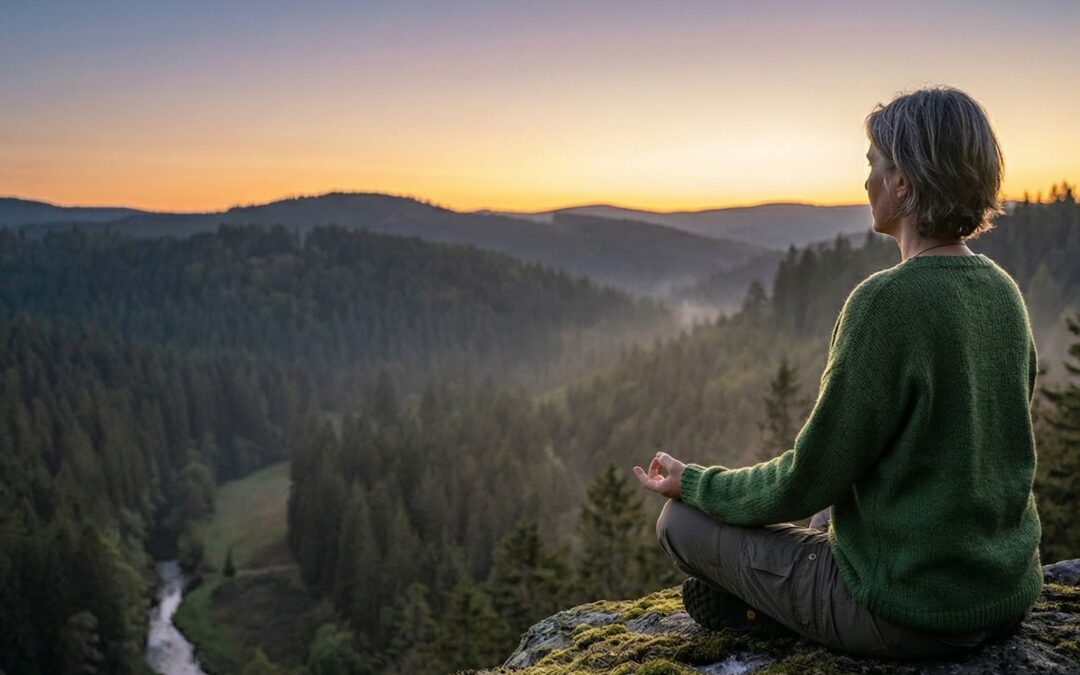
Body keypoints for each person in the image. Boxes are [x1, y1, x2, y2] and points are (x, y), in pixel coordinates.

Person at [634, 85, 1042, 659]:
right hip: (1000, 593)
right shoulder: (1003, 293)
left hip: (906, 614)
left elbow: (806, 477)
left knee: (679, 525)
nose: (867, 181)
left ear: (904, 181)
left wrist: (696, 483)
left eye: (874, 164)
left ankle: (769, 608)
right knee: (834, 508)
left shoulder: (885, 303)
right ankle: (772, 599)